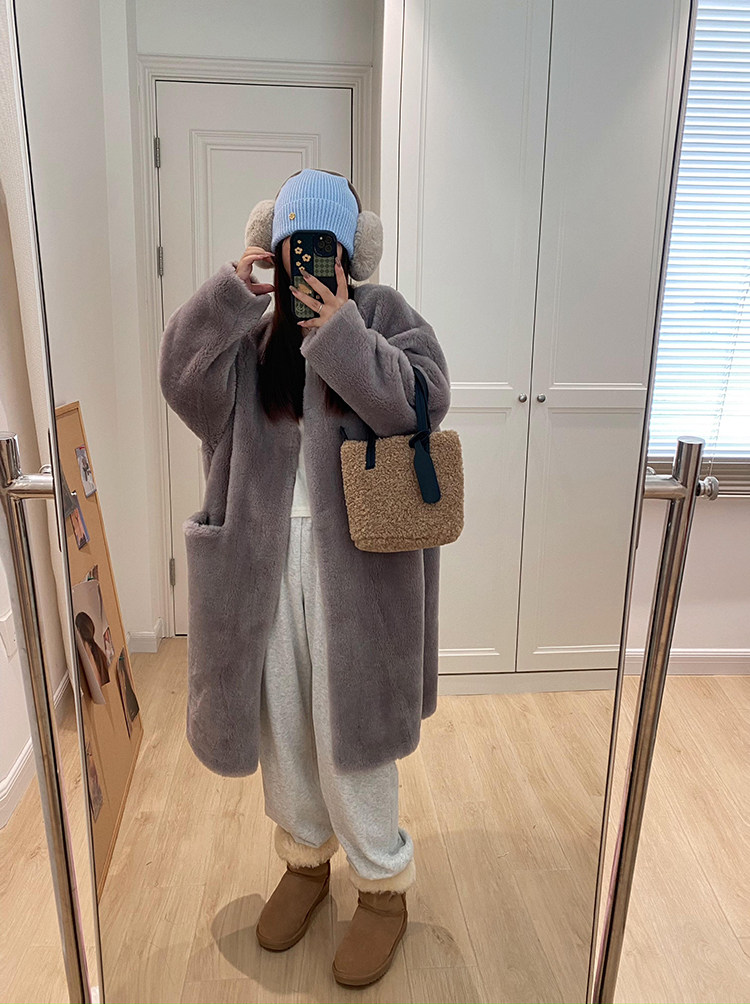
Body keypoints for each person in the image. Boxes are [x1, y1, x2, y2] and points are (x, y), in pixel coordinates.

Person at [158, 168, 451, 987]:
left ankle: (382, 884)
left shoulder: (381, 316)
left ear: (351, 251)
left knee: (352, 731)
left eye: (325, 243)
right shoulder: (249, 335)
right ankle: (304, 858)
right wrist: (229, 294)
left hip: (358, 570)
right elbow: (181, 382)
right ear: (275, 245)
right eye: (295, 242)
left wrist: (343, 332)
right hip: (260, 564)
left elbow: (423, 403)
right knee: (283, 722)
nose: (310, 257)